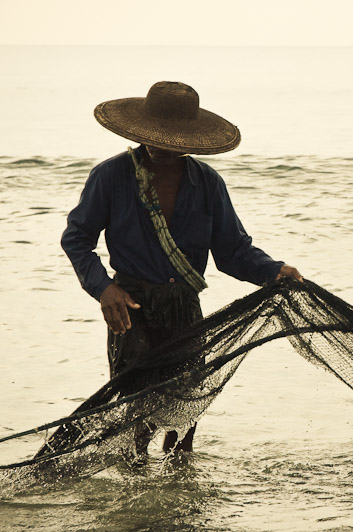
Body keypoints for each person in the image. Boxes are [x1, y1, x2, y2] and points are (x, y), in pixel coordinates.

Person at [61, 81, 302, 456]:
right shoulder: (110, 176)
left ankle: (180, 492)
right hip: (132, 306)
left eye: (173, 140)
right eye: (156, 138)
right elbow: (77, 239)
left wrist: (273, 271)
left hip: (185, 309)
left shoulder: (207, 183)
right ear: (140, 133)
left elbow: (233, 251)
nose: (162, 147)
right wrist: (104, 289)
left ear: (190, 140)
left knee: (186, 415)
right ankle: (136, 495)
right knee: (135, 413)